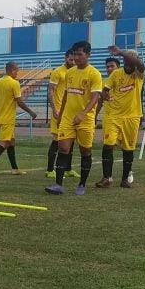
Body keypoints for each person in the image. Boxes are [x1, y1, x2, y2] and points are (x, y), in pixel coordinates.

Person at [46, 41, 102, 196]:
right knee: (63, 148)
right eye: (74, 54)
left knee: (85, 151)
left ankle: (82, 184)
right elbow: (65, 95)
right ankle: (58, 185)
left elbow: (95, 97)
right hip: (68, 118)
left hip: (85, 119)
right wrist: (60, 114)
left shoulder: (94, 74)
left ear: (88, 55)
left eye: (80, 54)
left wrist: (83, 114)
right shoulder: (69, 72)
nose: (76, 57)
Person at [96, 47, 144, 189]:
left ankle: (124, 179)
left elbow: (140, 65)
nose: (127, 62)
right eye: (125, 60)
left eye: (130, 60)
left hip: (132, 117)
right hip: (113, 116)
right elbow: (105, 90)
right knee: (108, 145)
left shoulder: (139, 74)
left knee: (128, 149)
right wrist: (105, 95)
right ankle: (107, 178)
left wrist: (122, 53)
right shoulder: (116, 74)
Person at [0, 62, 36, 176]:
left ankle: (14, 169)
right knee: (4, 143)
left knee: (11, 142)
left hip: (0, 118)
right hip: (8, 119)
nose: (17, 73)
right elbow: (19, 102)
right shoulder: (14, 83)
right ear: (12, 71)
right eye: (17, 71)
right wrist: (31, 112)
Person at [45, 50, 79, 179]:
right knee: (56, 140)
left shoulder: (75, 72)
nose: (73, 62)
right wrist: (54, 109)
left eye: (74, 60)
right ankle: (49, 170)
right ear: (65, 58)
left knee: (70, 140)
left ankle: (68, 169)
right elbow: (50, 91)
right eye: (70, 59)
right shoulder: (58, 72)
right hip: (59, 111)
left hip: (70, 112)